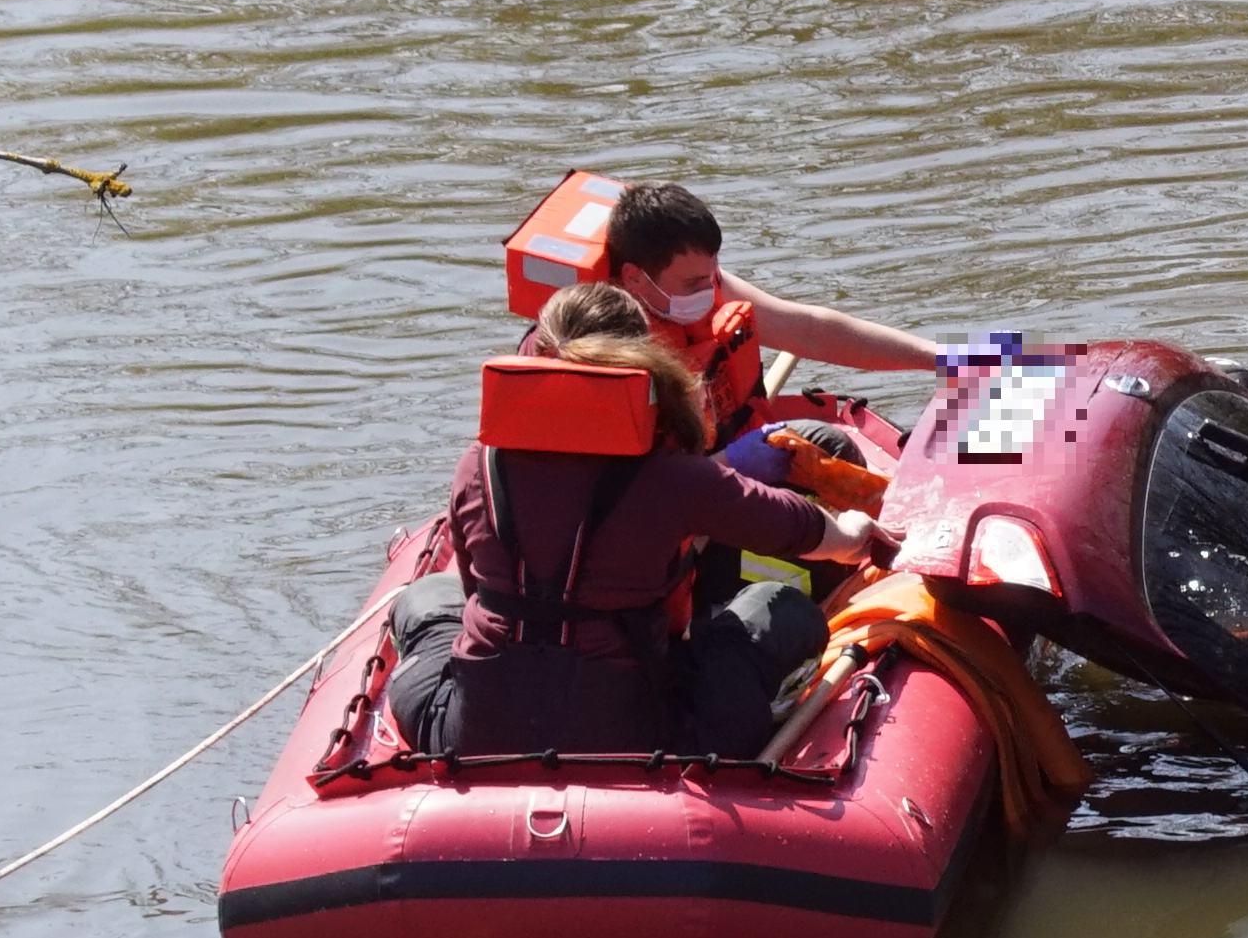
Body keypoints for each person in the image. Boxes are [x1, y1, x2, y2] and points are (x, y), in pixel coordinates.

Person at [391, 289, 873, 766]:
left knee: (425, 597)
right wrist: (855, 533)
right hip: (640, 736)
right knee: (777, 606)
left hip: (469, 732)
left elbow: (475, 587)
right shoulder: (676, 477)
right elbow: (809, 532)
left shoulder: (478, 464)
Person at [596, 179, 944, 457]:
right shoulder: (601, 342)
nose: (710, 289)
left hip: (725, 453)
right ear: (634, 277)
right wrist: (731, 466)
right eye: (695, 283)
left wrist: (942, 357)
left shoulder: (690, 286)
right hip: (673, 497)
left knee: (832, 447)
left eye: (713, 275)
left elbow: (809, 330)